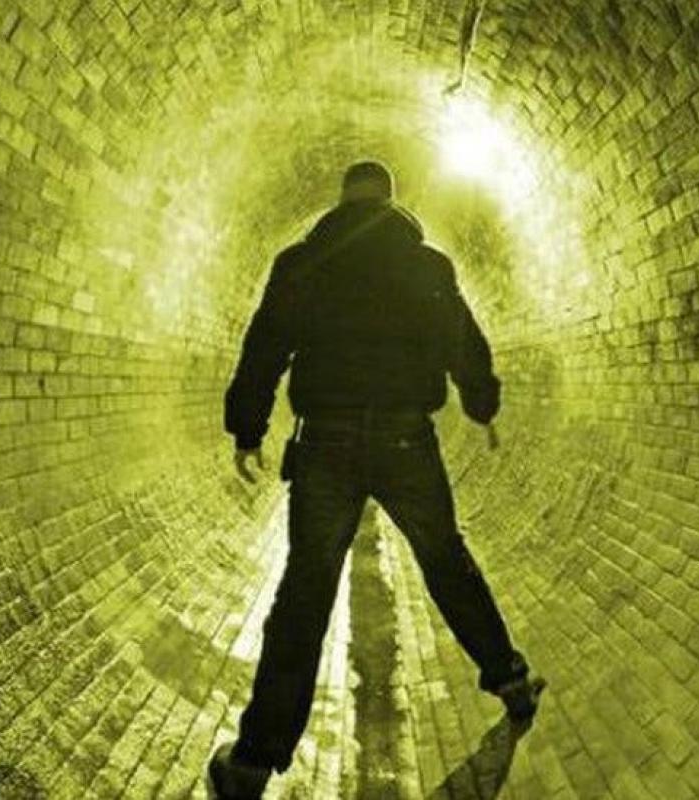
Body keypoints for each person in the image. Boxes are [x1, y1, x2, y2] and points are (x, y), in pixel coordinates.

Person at [206, 161, 545, 799]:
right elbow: (464, 344)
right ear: (391, 204)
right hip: (406, 439)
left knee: (305, 594)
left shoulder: (301, 263)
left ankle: (251, 763)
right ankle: (511, 681)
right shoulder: (427, 265)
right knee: (446, 560)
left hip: (325, 443)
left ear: (341, 203)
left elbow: (265, 348)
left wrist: (246, 428)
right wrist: (482, 404)